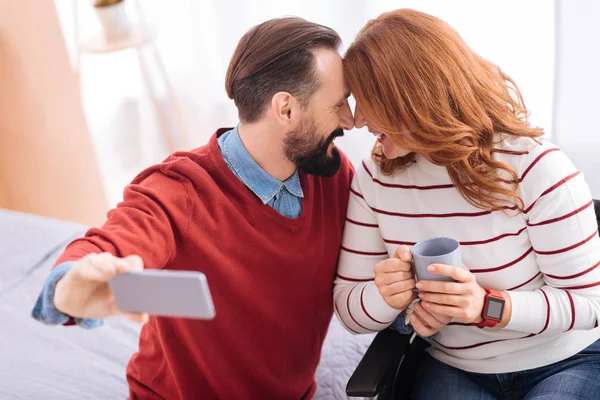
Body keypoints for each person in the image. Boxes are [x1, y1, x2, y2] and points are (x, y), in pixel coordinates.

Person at [31, 17, 355, 399]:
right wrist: (71, 281)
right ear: (286, 110)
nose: (350, 120)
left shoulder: (332, 175)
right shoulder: (179, 190)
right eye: (337, 105)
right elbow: (115, 239)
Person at [335, 8, 600, 399]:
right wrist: (388, 296)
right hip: (456, 368)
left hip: (564, 360)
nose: (357, 120)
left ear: (412, 97)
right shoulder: (374, 179)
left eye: (369, 99)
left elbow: (590, 304)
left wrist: (485, 307)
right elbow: (348, 307)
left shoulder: (535, 168)